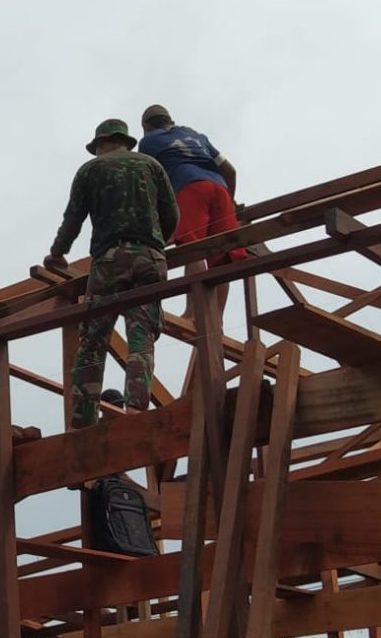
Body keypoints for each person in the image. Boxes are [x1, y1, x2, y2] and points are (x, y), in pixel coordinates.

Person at [45, 119, 178, 429]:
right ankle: (136, 408)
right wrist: (157, 242)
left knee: (93, 338)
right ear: (124, 141)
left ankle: (83, 420)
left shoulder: (90, 170)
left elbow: (73, 219)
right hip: (150, 257)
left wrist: (57, 253)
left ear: (100, 144)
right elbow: (171, 213)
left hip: (108, 260)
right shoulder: (151, 165)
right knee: (142, 333)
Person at [138, 104, 247, 317]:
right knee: (221, 255)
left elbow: (147, 183)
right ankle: (216, 318)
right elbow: (230, 171)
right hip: (221, 189)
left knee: (192, 248)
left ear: (146, 126)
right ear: (170, 120)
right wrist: (231, 203)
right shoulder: (197, 136)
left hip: (190, 187)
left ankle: (193, 312)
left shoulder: (149, 141)